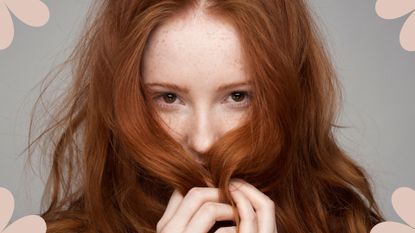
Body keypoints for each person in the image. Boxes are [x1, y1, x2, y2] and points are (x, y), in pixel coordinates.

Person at [27, 0, 384, 232]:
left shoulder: (353, 226)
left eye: (238, 96)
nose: (203, 141)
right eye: (168, 98)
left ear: (289, 96)